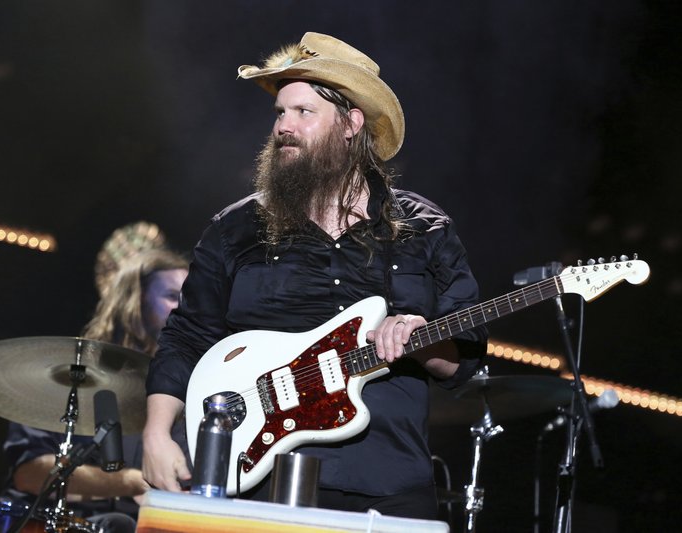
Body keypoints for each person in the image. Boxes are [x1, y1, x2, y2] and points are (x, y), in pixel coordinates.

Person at [142, 32, 487, 520]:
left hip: (386, 482)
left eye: (303, 112)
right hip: (255, 477)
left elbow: (462, 359)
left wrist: (416, 336)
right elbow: (186, 336)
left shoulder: (423, 228)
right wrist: (157, 433)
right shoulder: (236, 228)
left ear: (351, 123)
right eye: (280, 113)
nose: (285, 126)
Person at [0, 248, 188, 532]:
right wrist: (128, 482)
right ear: (133, 303)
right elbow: (29, 474)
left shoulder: (184, 391)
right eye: (172, 296)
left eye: (188, 300)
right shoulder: (72, 374)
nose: (181, 308)